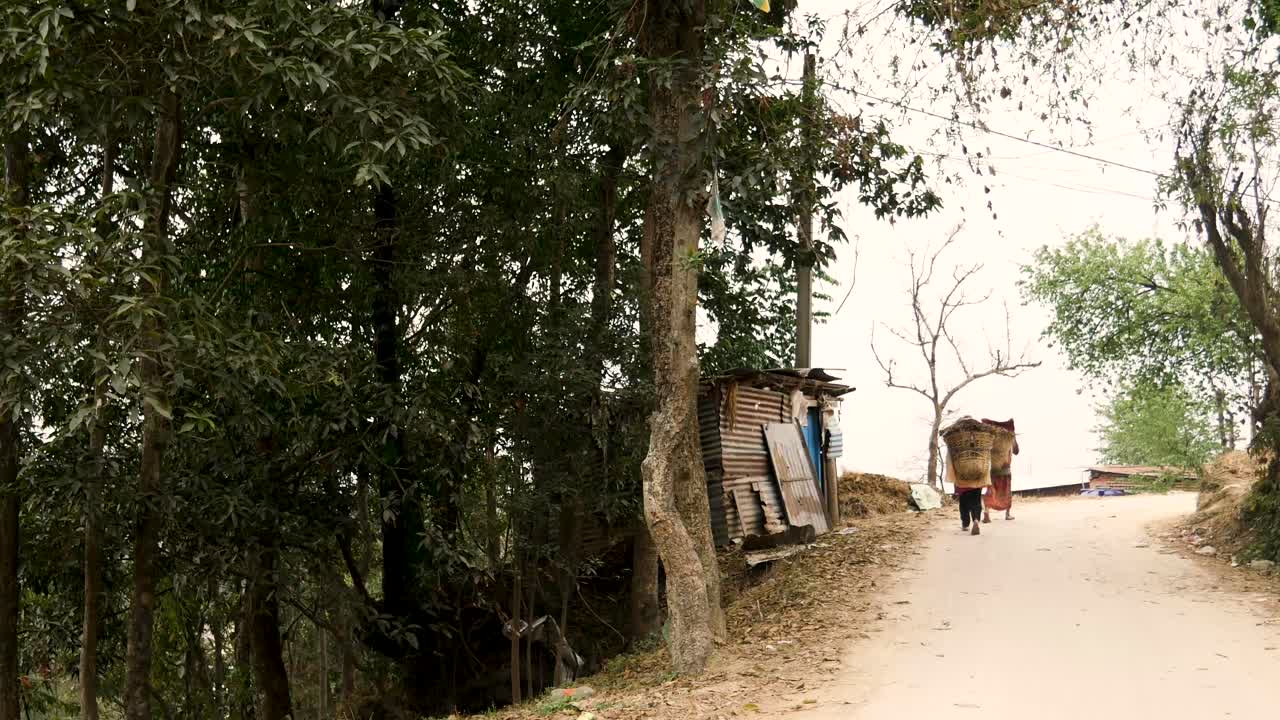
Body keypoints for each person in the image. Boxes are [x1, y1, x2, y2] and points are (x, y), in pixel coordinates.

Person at [980, 418, 1018, 523]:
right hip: (1005, 469)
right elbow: (1016, 451)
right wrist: (1013, 441)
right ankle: (1007, 514)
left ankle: (986, 513)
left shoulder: (991, 437)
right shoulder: (1009, 437)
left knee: (990, 490)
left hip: (992, 468)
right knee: (1006, 491)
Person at [944, 444, 986, 536]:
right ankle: (976, 520)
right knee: (976, 502)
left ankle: (965, 524)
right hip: (976, 478)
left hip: (962, 479)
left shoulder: (958, 447)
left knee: (964, 505)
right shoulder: (978, 447)